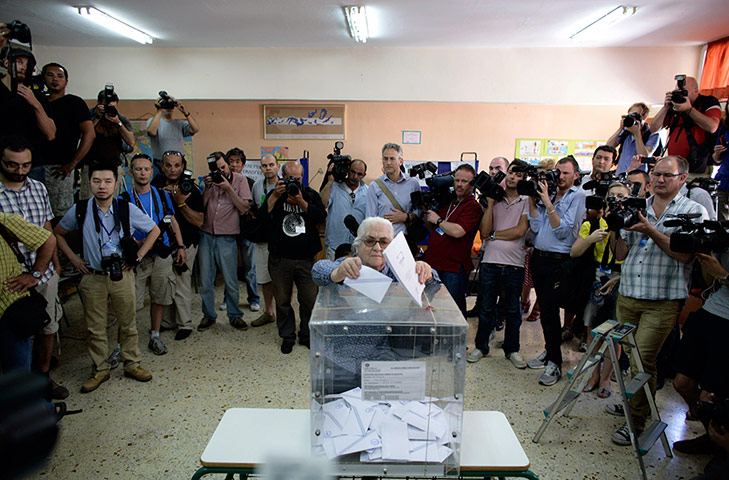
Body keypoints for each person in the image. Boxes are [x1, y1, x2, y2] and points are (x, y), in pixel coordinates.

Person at [607, 156, 709, 446]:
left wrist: (650, 230)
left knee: (644, 360)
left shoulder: (693, 211)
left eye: (667, 175)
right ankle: (637, 404)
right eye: (656, 174)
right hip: (628, 295)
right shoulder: (638, 205)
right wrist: (616, 227)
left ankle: (637, 421)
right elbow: (621, 254)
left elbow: (685, 255)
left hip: (662, 300)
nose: (660, 179)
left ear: (683, 178)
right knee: (632, 358)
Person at [54, 162, 160, 393]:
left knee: (128, 323)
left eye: (107, 181)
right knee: (95, 327)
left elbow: (155, 230)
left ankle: (132, 363)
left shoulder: (125, 208)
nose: (102, 186)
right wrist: (73, 259)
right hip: (93, 276)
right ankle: (100, 369)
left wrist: (139, 256)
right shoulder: (80, 210)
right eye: (96, 181)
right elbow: (58, 234)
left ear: (116, 182)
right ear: (89, 183)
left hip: (122, 274)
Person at [0, 136, 67, 398]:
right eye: (13, 165)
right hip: (11, 278)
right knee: (16, 332)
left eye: (26, 165)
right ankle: (19, 386)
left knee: (47, 326)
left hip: (43, 272)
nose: (20, 171)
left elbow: (47, 227)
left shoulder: (38, 187)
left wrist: (54, 265)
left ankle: (43, 377)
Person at [526, 156, 586, 386]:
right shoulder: (548, 194)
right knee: (547, 313)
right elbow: (535, 227)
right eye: (557, 172)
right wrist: (534, 200)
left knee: (551, 312)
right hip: (539, 258)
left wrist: (548, 204)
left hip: (558, 262)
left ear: (576, 176)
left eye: (565, 173)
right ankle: (549, 352)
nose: (560, 177)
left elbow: (564, 232)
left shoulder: (579, 197)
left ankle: (555, 363)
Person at [468, 159, 530, 367]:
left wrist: (494, 235)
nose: (513, 177)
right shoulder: (494, 200)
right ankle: (481, 347)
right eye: (511, 172)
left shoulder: (527, 200)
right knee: (486, 308)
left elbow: (520, 231)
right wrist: (491, 204)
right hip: (490, 263)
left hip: (514, 265)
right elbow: (484, 233)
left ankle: (512, 350)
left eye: (519, 175)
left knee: (513, 310)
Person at [572, 182, 630, 397]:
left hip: (620, 280)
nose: (615, 199)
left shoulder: (631, 224)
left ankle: (606, 378)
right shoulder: (593, 222)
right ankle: (593, 374)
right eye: (612, 196)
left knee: (614, 336)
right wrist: (591, 238)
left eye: (620, 196)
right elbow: (575, 252)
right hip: (597, 279)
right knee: (592, 333)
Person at [123, 153, 185, 355]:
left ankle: (155, 335)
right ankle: (124, 343)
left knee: (159, 296)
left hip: (161, 255)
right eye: (138, 169)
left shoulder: (162, 195)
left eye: (147, 169)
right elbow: (120, 228)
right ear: (131, 172)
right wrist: (136, 243)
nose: (143, 173)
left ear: (152, 171)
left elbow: (172, 221)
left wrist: (181, 246)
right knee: (132, 301)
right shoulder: (124, 199)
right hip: (137, 259)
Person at [261, 161, 326, 354]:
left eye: (298, 179)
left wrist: (301, 202)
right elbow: (261, 218)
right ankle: (287, 336)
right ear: (282, 177)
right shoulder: (276, 195)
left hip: (305, 259)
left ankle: (306, 335)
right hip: (280, 259)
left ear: (302, 177)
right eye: (290, 178)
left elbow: (321, 216)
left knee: (309, 300)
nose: (294, 182)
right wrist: (274, 196)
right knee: (282, 301)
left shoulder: (310, 195)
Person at [672, 249, 729, 456]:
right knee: (682, 382)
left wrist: (723, 274)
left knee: (711, 394)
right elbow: (709, 281)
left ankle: (717, 444)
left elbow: (721, 276)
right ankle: (712, 431)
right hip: (710, 311)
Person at [197, 151, 251, 332]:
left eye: (222, 167)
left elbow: (244, 208)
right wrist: (206, 188)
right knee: (205, 280)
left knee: (230, 280)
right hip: (206, 235)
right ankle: (208, 315)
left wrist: (228, 188)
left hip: (227, 237)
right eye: (216, 168)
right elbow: (201, 207)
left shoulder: (240, 180)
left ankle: (235, 316)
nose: (220, 171)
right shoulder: (209, 182)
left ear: (228, 165)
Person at [153, 150, 204, 340]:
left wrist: (179, 202)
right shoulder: (155, 186)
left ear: (183, 167)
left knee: (182, 283)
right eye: (168, 165)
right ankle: (167, 322)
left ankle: (185, 324)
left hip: (187, 242)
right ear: (161, 166)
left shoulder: (190, 188)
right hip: (162, 244)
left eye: (177, 165)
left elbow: (200, 221)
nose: (172, 169)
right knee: (164, 283)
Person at [0, 211, 55, 373]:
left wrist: (35, 274)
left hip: (9, 309)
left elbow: (48, 239)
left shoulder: (3, 220)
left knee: (18, 368)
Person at [423, 164, 482, 314]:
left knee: (453, 310)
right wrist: (427, 214)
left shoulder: (473, 206)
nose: (459, 185)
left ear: (472, 183)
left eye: (464, 181)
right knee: (429, 306)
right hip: (433, 264)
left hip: (454, 268)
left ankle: (457, 338)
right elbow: (433, 229)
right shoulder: (447, 202)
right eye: (457, 180)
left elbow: (458, 231)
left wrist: (438, 220)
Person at [312, 216, 437, 287]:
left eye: (384, 242)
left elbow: (435, 286)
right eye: (370, 241)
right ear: (357, 246)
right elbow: (317, 270)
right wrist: (336, 273)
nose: (377, 248)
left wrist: (426, 272)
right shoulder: (350, 265)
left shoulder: (398, 270)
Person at [40, 63, 94, 217]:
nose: (55, 79)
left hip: (60, 168)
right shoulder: (38, 102)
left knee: (61, 215)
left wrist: (73, 163)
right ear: (43, 78)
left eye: (60, 76)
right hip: (35, 166)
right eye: (50, 75)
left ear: (66, 81)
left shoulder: (74, 103)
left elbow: (89, 134)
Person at [651, 76, 721, 175]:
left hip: (698, 166)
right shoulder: (674, 106)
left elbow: (712, 127)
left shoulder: (707, 102)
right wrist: (665, 107)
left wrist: (689, 109)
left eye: (683, 91)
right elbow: (654, 128)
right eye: (677, 91)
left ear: (695, 90)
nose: (680, 94)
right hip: (674, 168)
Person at [81, 88, 136, 200]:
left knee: (112, 200)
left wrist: (117, 122)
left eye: (112, 107)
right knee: (89, 201)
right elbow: (82, 137)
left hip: (113, 166)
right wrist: (96, 118)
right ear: (99, 104)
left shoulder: (120, 118)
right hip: (91, 165)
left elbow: (131, 142)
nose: (109, 110)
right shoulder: (89, 115)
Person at [0, 46, 55, 155]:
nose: (24, 67)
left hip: (32, 162)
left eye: (27, 64)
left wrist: (35, 104)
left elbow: (50, 134)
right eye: (19, 62)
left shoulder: (37, 97)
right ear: (7, 63)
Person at [365, 143, 421, 245]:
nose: (388, 163)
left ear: (400, 161)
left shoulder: (413, 184)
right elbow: (370, 219)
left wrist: (406, 217)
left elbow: (420, 212)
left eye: (392, 159)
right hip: (383, 241)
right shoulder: (374, 186)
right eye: (385, 159)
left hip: (406, 240)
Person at [225, 147, 259, 312]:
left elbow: (248, 208)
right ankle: (228, 299)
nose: (234, 165)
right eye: (230, 162)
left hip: (246, 231)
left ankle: (253, 299)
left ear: (243, 165)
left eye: (237, 162)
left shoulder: (250, 182)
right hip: (228, 231)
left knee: (250, 269)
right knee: (228, 268)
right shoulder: (222, 181)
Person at [248, 153, 280, 327]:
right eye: (264, 165)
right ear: (260, 168)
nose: (268, 168)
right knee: (264, 278)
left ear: (277, 167)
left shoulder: (285, 185)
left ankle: (284, 313)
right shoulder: (257, 186)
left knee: (282, 279)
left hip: (281, 240)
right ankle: (268, 312)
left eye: (271, 165)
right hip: (262, 239)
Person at [320, 158, 368, 260]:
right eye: (352, 172)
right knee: (334, 274)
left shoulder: (368, 192)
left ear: (364, 176)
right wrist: (329, 182)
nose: (355, 176)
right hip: (335, 245)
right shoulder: (334, 187)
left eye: (359, 174)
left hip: (357, 247)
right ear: (348, 170)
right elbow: (322, 204)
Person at [146, 93, 199, 172]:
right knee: (159, 184)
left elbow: (195, 129)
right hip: (160, 162)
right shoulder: (153, 121)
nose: (168, 108)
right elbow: (151, 132)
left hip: (178, 162)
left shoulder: (179, 123)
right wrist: (159, 109)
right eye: (166, 105)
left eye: (170, 105)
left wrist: (185, 112)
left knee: (180, 184)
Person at [606, 102, 660, 175]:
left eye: (635, 115)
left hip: (638, 177)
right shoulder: (626, 132)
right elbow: (608, 147)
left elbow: (644, 156)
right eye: (630, 115)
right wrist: (620, 129)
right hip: (620, 174)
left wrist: (637, 133)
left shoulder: (652, 134)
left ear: (644, 117)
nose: (632, 118)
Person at [713, 102, 729, 222]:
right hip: (724, 178)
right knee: (721, 219)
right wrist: (717, 152)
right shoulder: (724, 127)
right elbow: (716, 159)